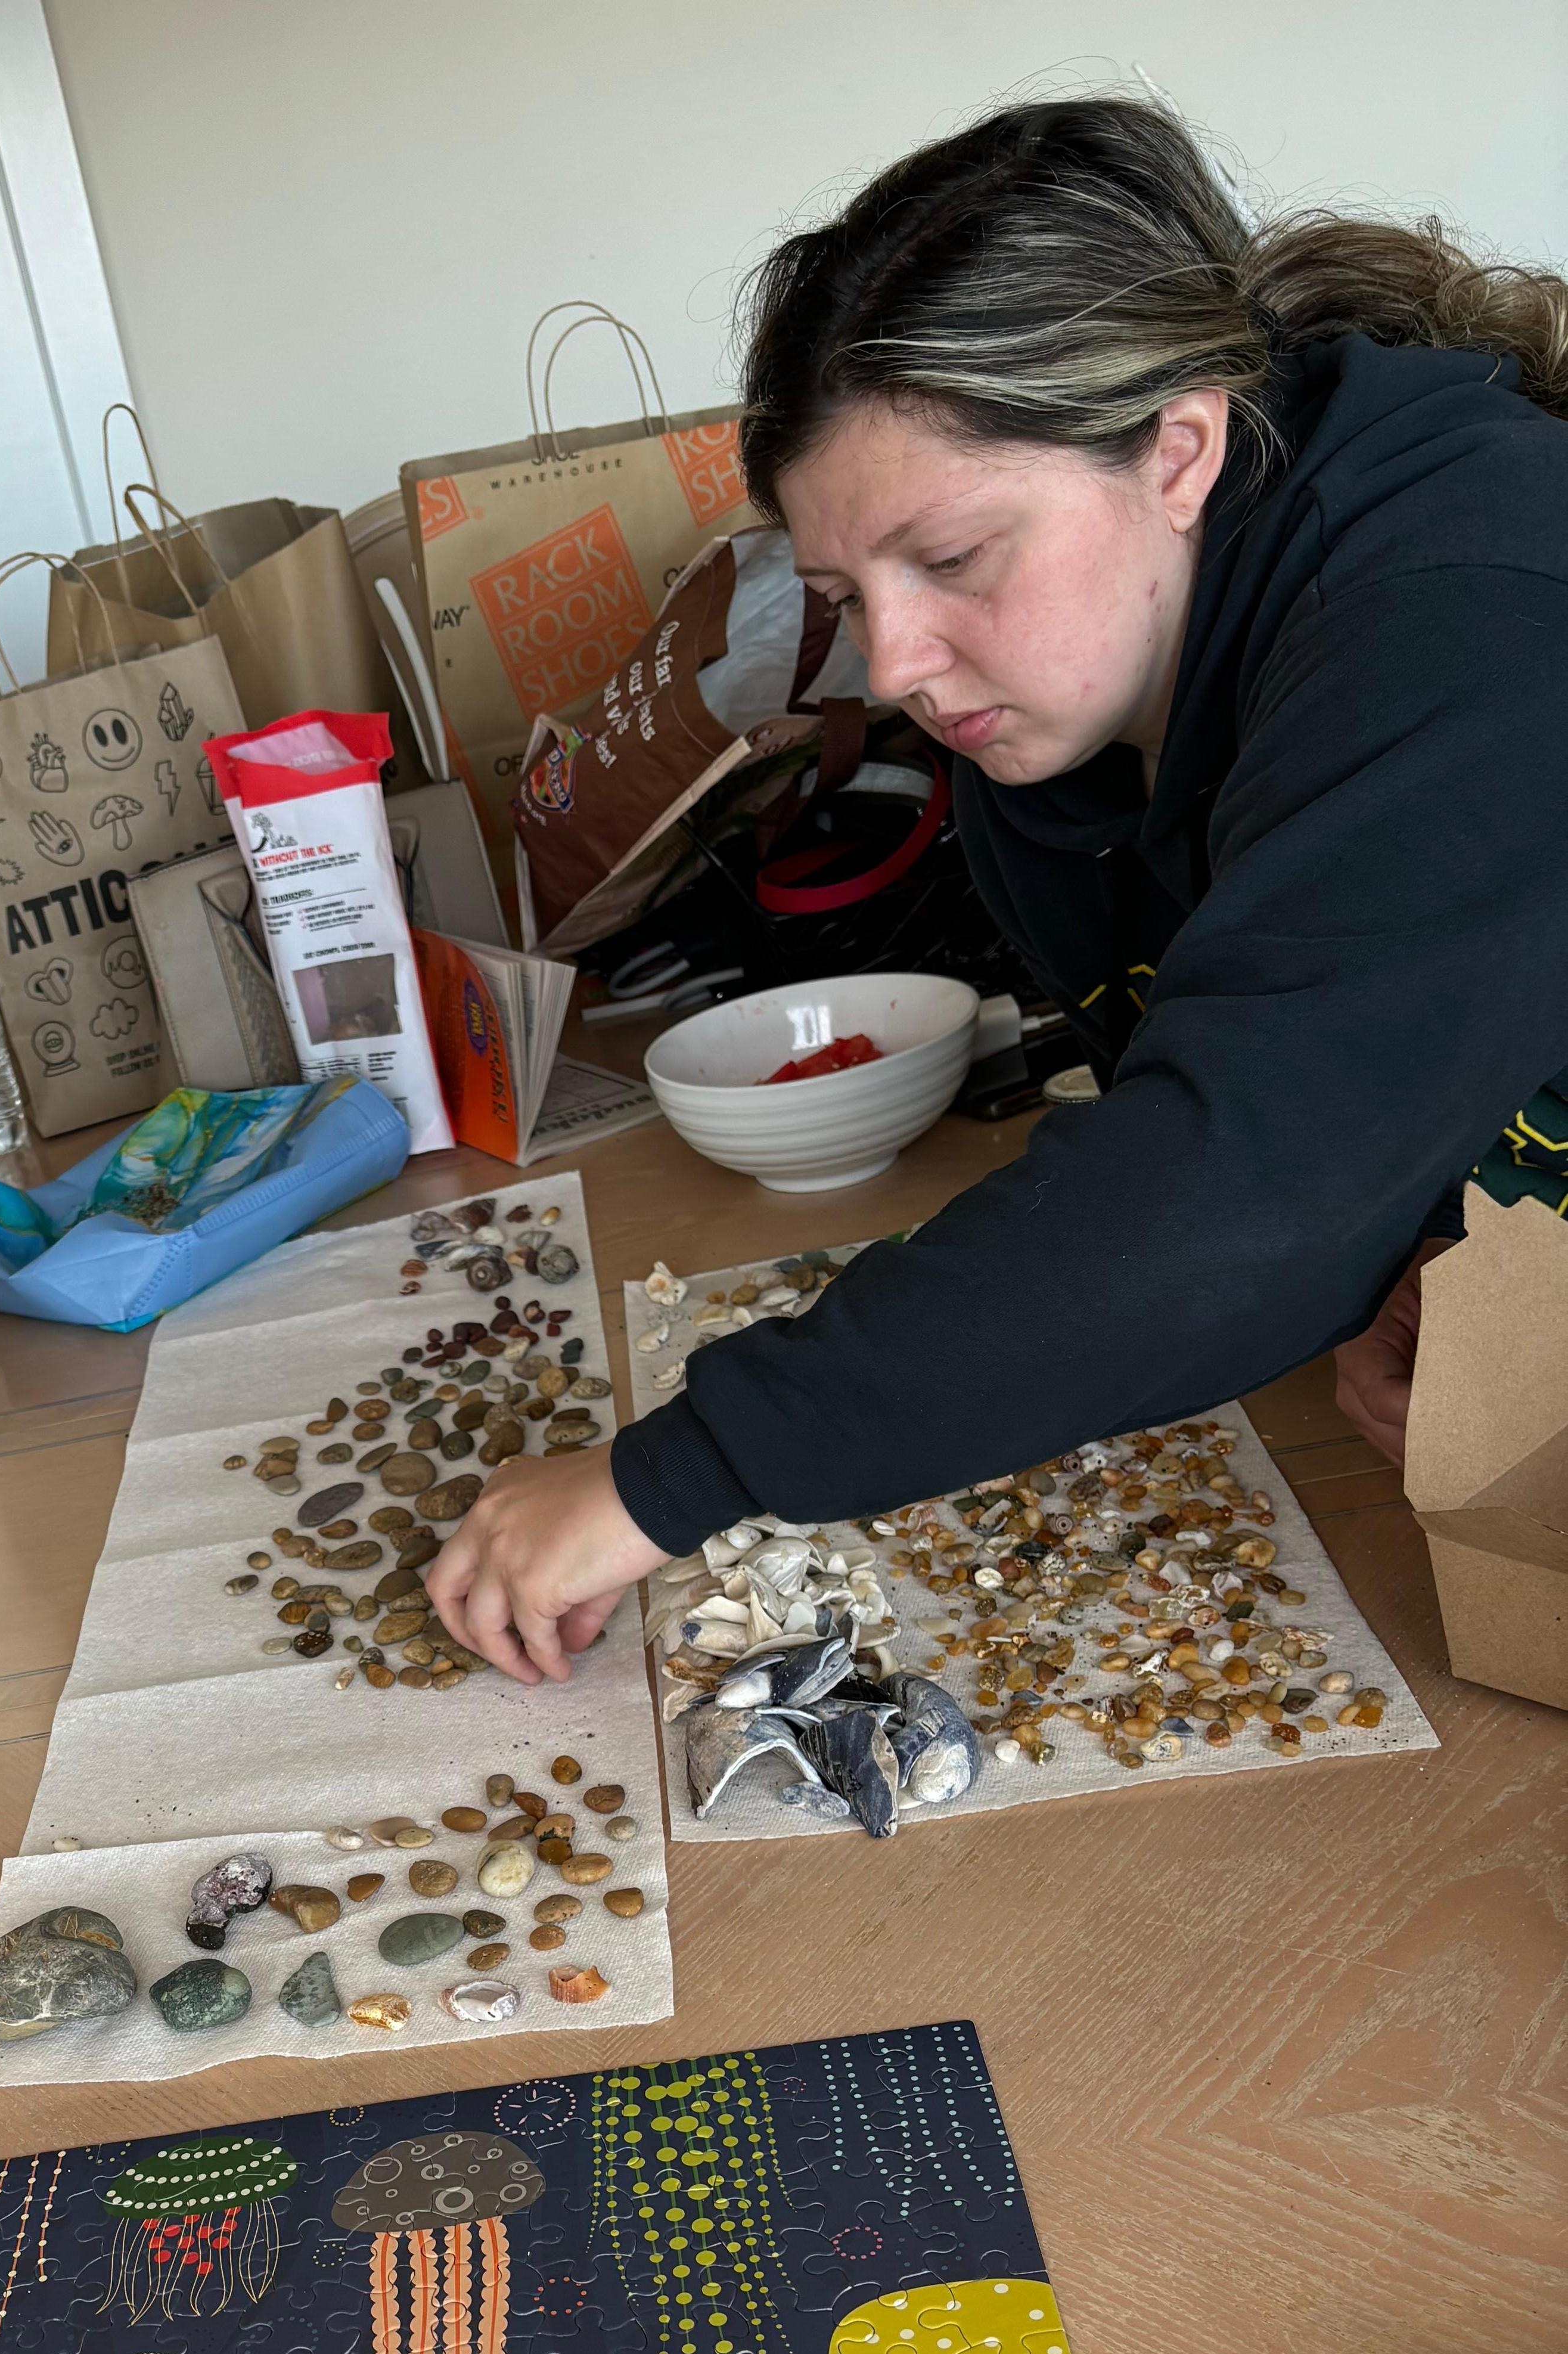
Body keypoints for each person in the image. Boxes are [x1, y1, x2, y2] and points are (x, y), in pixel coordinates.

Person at [427, 94, 1568, 1689]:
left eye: (954, 557)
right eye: (843, 597)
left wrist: (666, 1477)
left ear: (1177, 448)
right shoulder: (1076, 701)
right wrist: (1446, 1242)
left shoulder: (1476, 599)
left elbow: (1240, 1180)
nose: (893, 663)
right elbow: (1357, 1061)